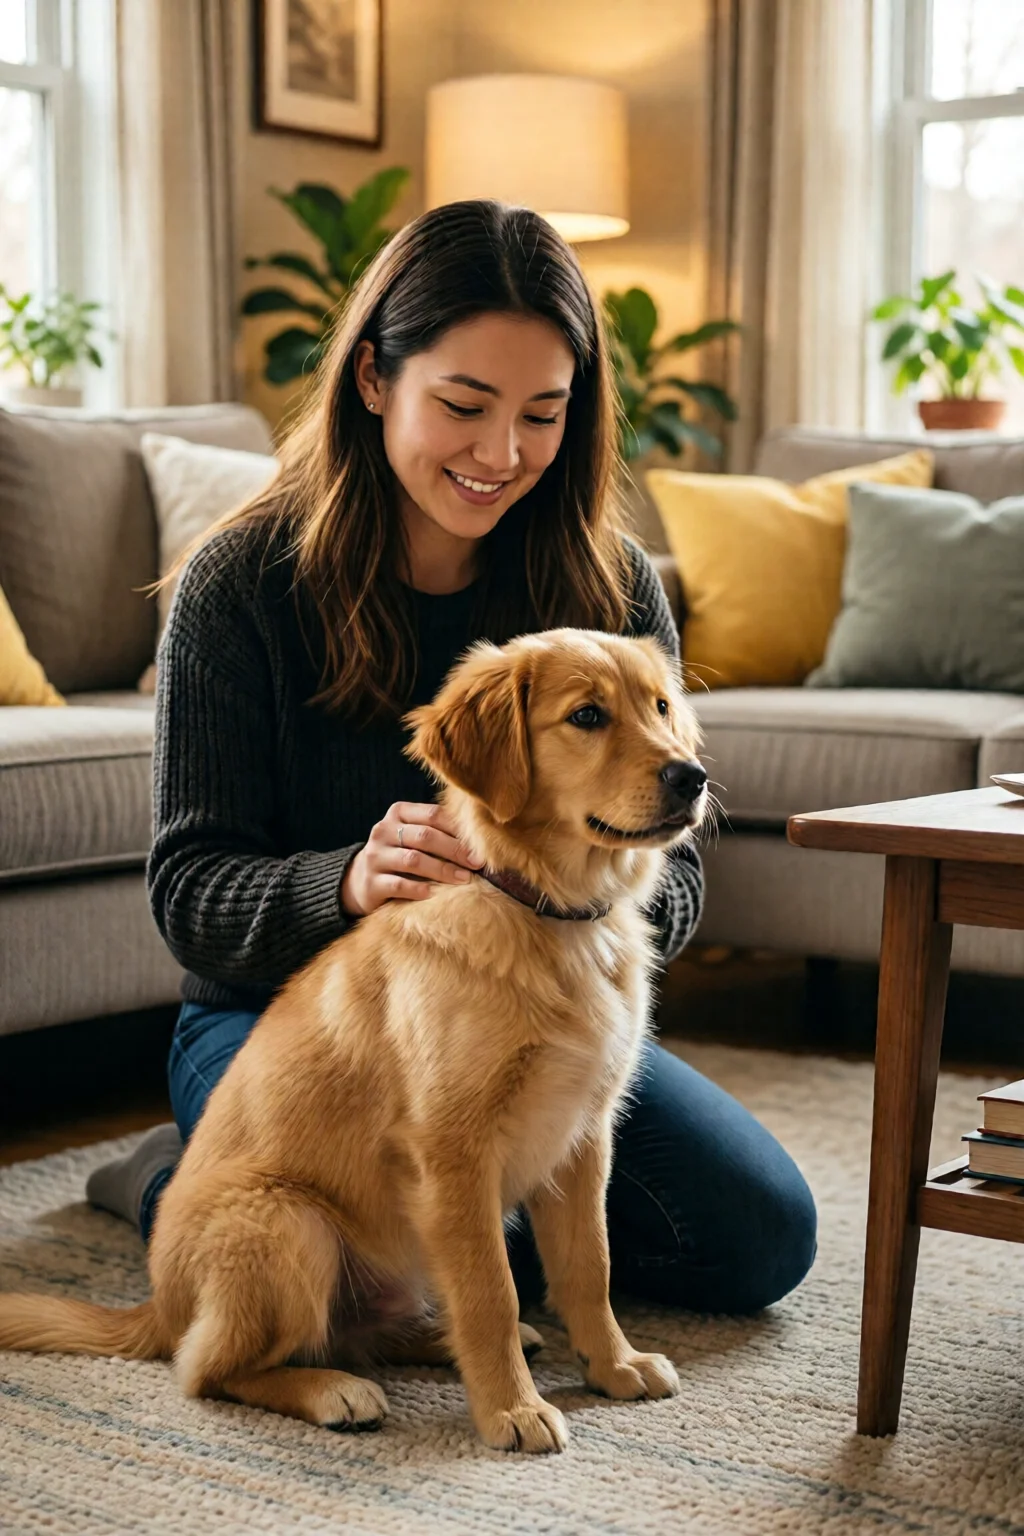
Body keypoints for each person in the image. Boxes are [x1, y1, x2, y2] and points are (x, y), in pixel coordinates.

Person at [87, 199, 816, 1316]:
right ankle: (185, 1191)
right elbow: (189, 896)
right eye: (464, 405)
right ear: (375, 379)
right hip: (289, 1032)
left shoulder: (610, 588)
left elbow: (679, 883)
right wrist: (345, 882)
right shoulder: (238, 585)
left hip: (541, 1009)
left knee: (759, 1237)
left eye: (543, 414)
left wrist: (565, 914)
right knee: (375, 1253)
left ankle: (415, 1248)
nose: (502, 453)